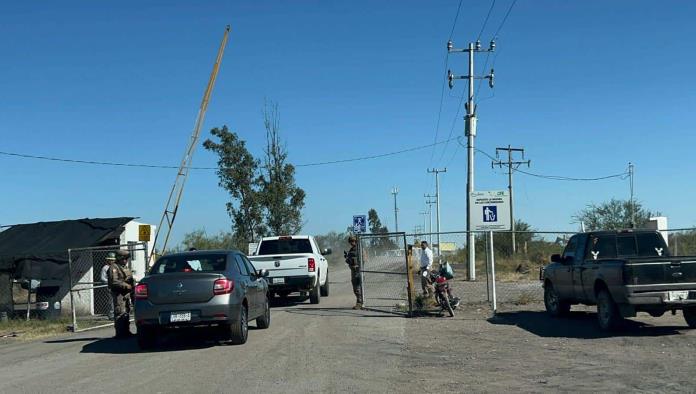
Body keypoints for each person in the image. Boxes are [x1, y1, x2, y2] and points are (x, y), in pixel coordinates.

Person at [107, 250, 135, 338]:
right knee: (120, 311)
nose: (125, 260)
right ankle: (120, 333)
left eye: (126, 259)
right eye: (124, 259)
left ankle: (126, 331)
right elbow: (114, 281)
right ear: (119, 258)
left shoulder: (125, 267)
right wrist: (127, 286)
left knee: (126, 311)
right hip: (119, 293)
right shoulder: (114, 267)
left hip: (126, 294)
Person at [344, 235, 364, 310]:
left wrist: (357, 266)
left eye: (353, 241)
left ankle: (360, 303)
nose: (352, 243)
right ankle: (360, 302)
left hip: (358, 271)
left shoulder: (359, 249)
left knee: (357, 288)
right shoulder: (352, 250)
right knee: (356, 287)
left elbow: (363, 259)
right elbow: (349, 261)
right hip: (354, 271)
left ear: (356, 241)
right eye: (351, 241)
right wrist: (347, 258)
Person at [100, 252, 116, 320]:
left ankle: (117, 313)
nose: (112, 261)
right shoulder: (105, 268)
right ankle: (111, 315)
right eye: (110, 260)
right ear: (108, 260)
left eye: (113, 260)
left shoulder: (116, 267)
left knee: (117, 300)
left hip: (116, 286)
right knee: (111, 300)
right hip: (109, 286)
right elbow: (102, 278)